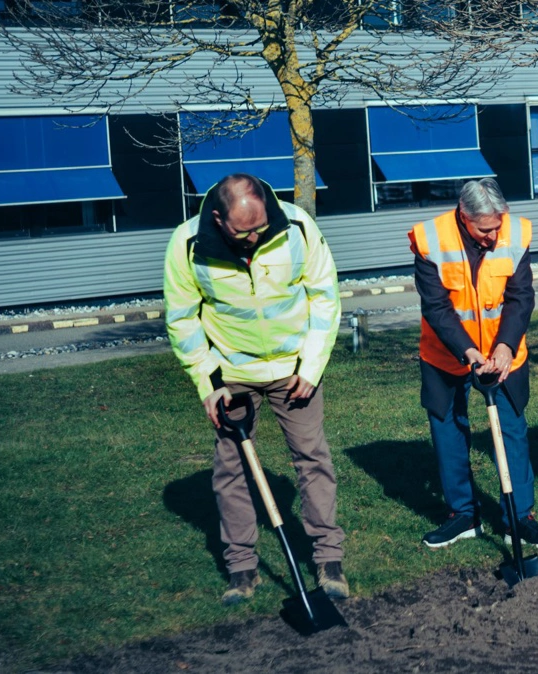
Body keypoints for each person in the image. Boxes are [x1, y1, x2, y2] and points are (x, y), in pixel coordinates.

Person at [163, 173, 348, 605]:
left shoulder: (297, 226)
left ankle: (329, 559)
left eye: (261, 229)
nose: (254, 238)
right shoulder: (187, 244)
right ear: (218, 218)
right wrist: (209, 382)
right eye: (244, 231)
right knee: (230, 472)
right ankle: (242, 568)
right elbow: (182, 318)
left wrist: (311, 365)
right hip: (232, 373)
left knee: (312, 459)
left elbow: (324, 296)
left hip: (295, 369)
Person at [409, 178, 538, 550]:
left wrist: (506, 345)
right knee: (448, 429)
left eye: (497, 227)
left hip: (504, 353)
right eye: (484, 229)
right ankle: (462, 515)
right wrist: (468, 352)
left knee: (512, 430)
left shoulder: (516, 233)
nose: (493, 236)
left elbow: (521, 296)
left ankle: (519, 518)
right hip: (446, 353)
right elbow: (437, 307)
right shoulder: (430, 239)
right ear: (464, 217)